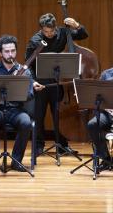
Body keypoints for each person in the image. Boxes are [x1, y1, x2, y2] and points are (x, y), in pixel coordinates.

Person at [25, 13, 88, 155]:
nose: (49, 34)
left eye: (51, 31)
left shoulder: (63, 33)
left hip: (58, 82)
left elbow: (83, 35)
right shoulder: (35, 41)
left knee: (58, 115)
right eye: (45, 32)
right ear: (41, 29)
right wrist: (33, 82)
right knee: (39, 116)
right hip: (40, 83)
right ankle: (38, 146)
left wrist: (76, 25)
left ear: (55, 27)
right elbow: (27, 65)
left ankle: (62, 145)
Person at [0, 35, 33, 172]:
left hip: (16, 110)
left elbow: (31, 93)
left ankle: (16, 160)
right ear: (0, 53)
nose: (10, 54)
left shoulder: (24, 71)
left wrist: (17, 93)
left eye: (13, 51)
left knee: (26, 122)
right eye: (7, 51)